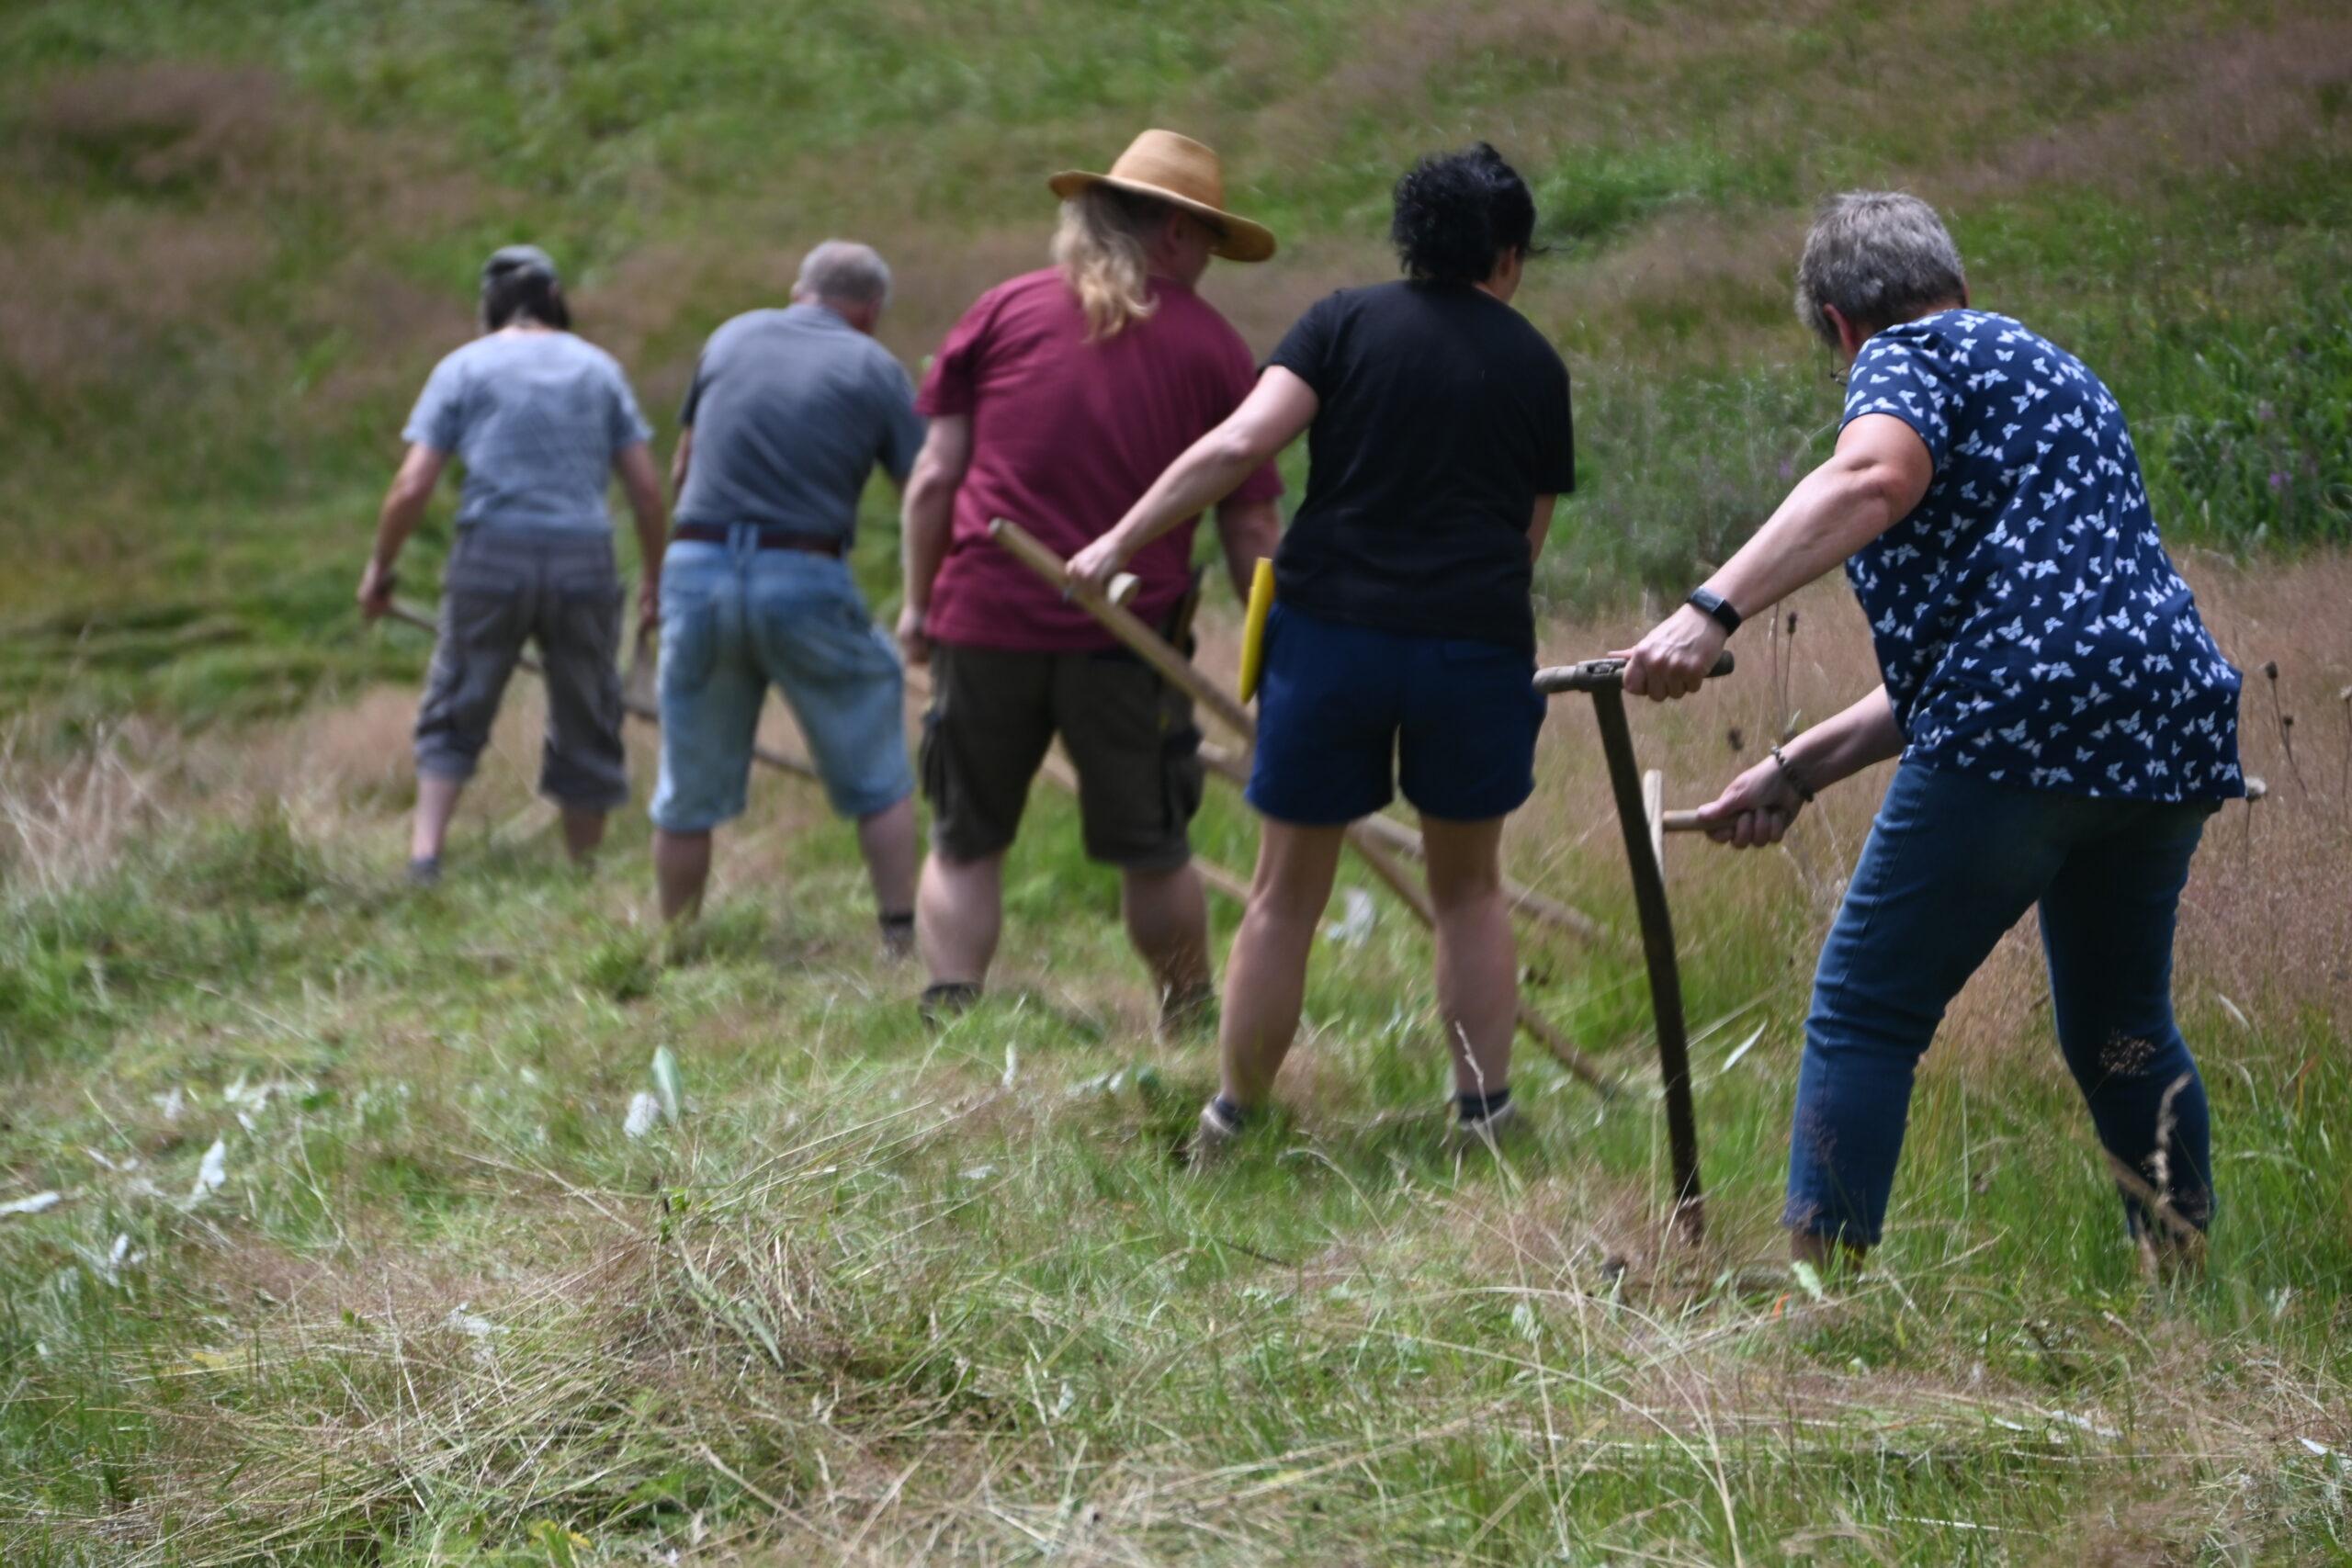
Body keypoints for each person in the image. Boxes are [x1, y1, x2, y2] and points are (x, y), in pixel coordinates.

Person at [1618, 191, 2244, 1271]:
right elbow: (2022, 635)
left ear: (1837, 321)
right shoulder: (2060, 377)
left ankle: (1814, 1304)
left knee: (1865, 1006)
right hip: (2168, 719)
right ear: (1954, 282)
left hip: (2027, 723)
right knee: (2118, 1028)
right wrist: (1795, 769)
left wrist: (1706, 608)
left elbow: (1873, 477)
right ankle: (2189, 1284)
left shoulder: (1904, 357)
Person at [1069, 143, 1575, 1156]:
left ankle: (1235, 1119)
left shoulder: (1341, 322)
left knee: (1284, 894)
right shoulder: (1533, 363)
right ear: (1506, 255)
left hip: (1331, 633)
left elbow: (1237, 447)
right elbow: (1526, 537)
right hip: (1468, 645)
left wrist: (1115, 541)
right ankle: (1481, 1116)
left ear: (1412, 242)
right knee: (1468, 888)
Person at [899, 130, 1284, 1025]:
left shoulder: (999, 311)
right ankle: (1186, 1014)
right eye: (1210, 246)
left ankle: (950, 1014)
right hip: (1127, 638)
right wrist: (1276, 662)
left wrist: (919, 607)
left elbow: (931, 480)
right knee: (1153, 848)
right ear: (1177, 236)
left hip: (984, 618)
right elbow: (1252, 524)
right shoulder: (1214, 348)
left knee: (964, 841)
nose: (1211, 267)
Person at [650, 242, 926, 951]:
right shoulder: (874, 366)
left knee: (686, 790)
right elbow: (925, 489)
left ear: (797, 289)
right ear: (869, 312)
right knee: (878, 771)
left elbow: (684, 466)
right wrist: (929, 598)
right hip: (802, 572)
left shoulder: (729, 336)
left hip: (698, 563)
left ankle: (675, 942)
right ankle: (901, 938)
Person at [359, 245, 666, 886]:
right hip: (584, 557)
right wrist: (656, 582)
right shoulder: (599, 370)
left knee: (457, 697)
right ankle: (583, 873)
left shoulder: (463, 368)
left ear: (487, 308)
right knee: (588, 707)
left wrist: (380, 567)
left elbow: (412, 485)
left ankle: (426, 856)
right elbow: (646, 491)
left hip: (490, 555)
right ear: (556, 298)